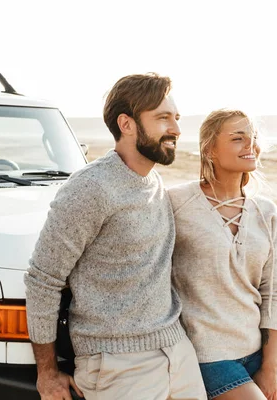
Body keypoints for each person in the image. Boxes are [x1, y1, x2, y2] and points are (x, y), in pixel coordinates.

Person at [24, 73, 207, 400]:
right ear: (127, 124)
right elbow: (43, 279)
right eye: (163, 118)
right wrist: (47, 372)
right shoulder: (89, 189)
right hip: (118, 365)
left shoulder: (153, 181)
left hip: (177, 351)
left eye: (176, 118)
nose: (177, 129)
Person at [168, 109, 277, 400]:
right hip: (205, 354)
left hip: (257, 352)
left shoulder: (266, 212)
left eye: (253, 137)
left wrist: (270, 366)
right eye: (238, 138)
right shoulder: (175, 203)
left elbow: (272, 291)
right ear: (210, 148)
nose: (250, 145)